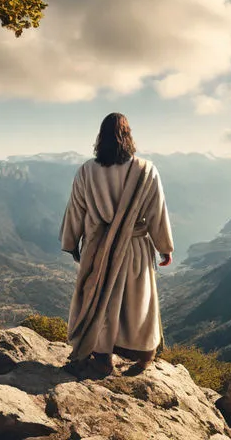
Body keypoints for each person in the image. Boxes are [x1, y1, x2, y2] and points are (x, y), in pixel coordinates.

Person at [59, 112, 174, 376]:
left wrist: (72, 242)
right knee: (137, 303)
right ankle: (144, 355)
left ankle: (101, 358)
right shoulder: (146, 170)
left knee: (100, 301)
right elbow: (157, 211)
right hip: (133, 248)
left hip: (97, 248)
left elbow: (76, 210)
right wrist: (164, 247)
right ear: (128, 136)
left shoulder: (87, 170)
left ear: (100, 138)